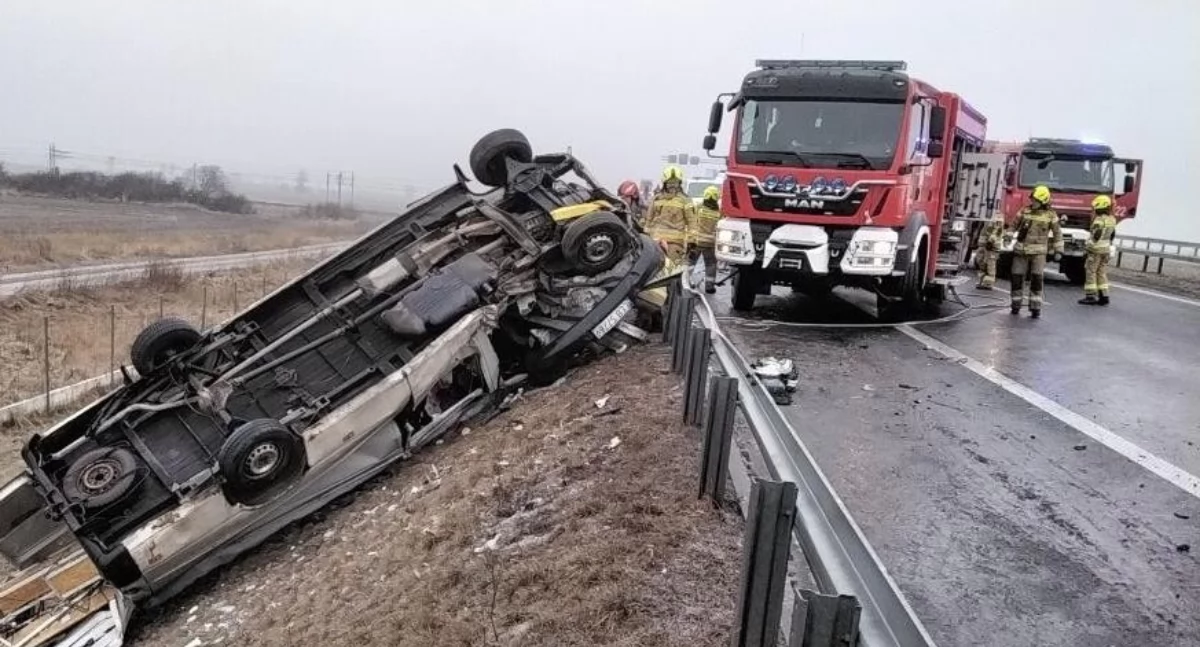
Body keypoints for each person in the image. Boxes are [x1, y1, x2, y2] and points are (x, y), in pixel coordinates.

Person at [1010, 184, 1063, 318]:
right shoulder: (1024, 211)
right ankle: (1015, 305)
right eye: (1032, 199)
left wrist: (1058, 250)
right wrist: (1007, 236)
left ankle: (1035, 307)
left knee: (1037, 279)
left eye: (1035, 200)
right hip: (1021, 251)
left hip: (1038, 254)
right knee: (1016, 277)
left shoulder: (1051, 215)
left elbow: (1057, 233)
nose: (1032, 201)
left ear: (1043, 201)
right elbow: (1013, 225)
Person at [643, 165, 694, 264]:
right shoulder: (656, 199)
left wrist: (692, 243)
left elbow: (692, 222)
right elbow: (649, 220)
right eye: (670, 183)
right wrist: (646, 238)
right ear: (665, 183)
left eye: (675, 182)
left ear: (679, 183)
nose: (672, 185)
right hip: (656, 241)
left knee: (671, 267)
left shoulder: (685, 200)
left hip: (675, 243)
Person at [1079, 194, 1118, 306]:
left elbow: (1095, 237)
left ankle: (1090, 296)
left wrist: (1087, 248)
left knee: (1091, 271)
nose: (1094, 209)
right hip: (1106, 250)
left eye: (1095, 207)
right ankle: (1104, 296)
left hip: (1095, 251)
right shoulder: (1112, 220)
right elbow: (1112, 235)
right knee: (1101, 272)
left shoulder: (1098, 221)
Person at [688, 185, 721, 293]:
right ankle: (709, 287)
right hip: (710, 243)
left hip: (696, 242)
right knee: (711, 264)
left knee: (690, 262)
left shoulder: (698, 207)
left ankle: (686, 281)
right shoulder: (719, 212)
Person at [975, 213, 1004, 290]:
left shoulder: (998, 216)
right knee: (981, 262)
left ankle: (988, 283)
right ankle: (982, 281)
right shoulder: (988, 214)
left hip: (991, 246)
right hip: (983, 245)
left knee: (990, 265)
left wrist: (990, 241)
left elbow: (998, 230)